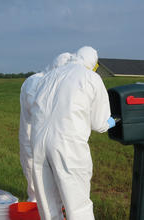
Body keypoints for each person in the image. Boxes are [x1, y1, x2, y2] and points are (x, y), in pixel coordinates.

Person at [30, 46, 114, 220]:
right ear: (93, 63)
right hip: (68, 145)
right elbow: (99, 124)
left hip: (38, 144)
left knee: (48, 206)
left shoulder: (49, 76)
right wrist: (113, 121)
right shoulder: (91, 77)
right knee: (77, 205)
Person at [19, 52, 73, 202]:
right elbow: (37, 110)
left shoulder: (55, 83)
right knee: (35, 178)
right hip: (32, 138)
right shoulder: (35, 82)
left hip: (50, 138)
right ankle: (35, 207)